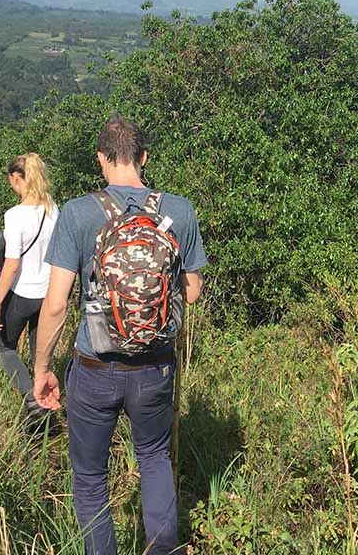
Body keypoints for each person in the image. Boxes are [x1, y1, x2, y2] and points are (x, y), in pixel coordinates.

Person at [34, 117, 207, 555]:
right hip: (155, 367)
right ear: (143, 158)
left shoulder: (77, 212)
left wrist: (42, 368)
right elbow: (193, 290)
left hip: (94, 367)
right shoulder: (180, 210)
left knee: (91, 477)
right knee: (153, 459)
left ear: (101, 160)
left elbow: (55, 304)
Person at [0, 153, 58, 420]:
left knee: (5, 347)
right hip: (48, 293)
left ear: (17, 178)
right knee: (38, 353)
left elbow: (12, 265)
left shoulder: (14, 216)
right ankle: (45, 402)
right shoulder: (53, 208)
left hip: (22, 294)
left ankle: (32, 398)